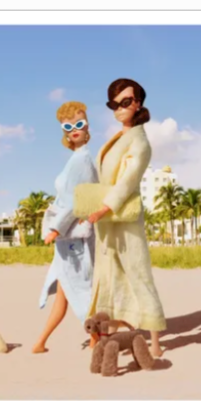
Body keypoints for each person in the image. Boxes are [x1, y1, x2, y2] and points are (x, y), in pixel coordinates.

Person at [86, 79, 167, 358]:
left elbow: (127, 182)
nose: (118, 109)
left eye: (124, 103)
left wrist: (103, 208)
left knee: (137, 272)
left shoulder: (140, 141)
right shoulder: (118, 137)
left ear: (137, 103)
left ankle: (155, 341)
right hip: (107, 219)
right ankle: (104, 334)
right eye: (113, 104)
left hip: (123, 215)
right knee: (107, 275)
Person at [32, 101, 99, 354]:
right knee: (67, 291)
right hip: (68, 239)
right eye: (68, 126)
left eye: (79, 124)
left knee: (81, 290)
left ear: (87, 126)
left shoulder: (83, 159)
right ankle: (41, 342)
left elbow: (75, 200)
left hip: (72, 239)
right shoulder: (76, 158)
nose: (74, 130)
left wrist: (56, 229)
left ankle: (96, 338)